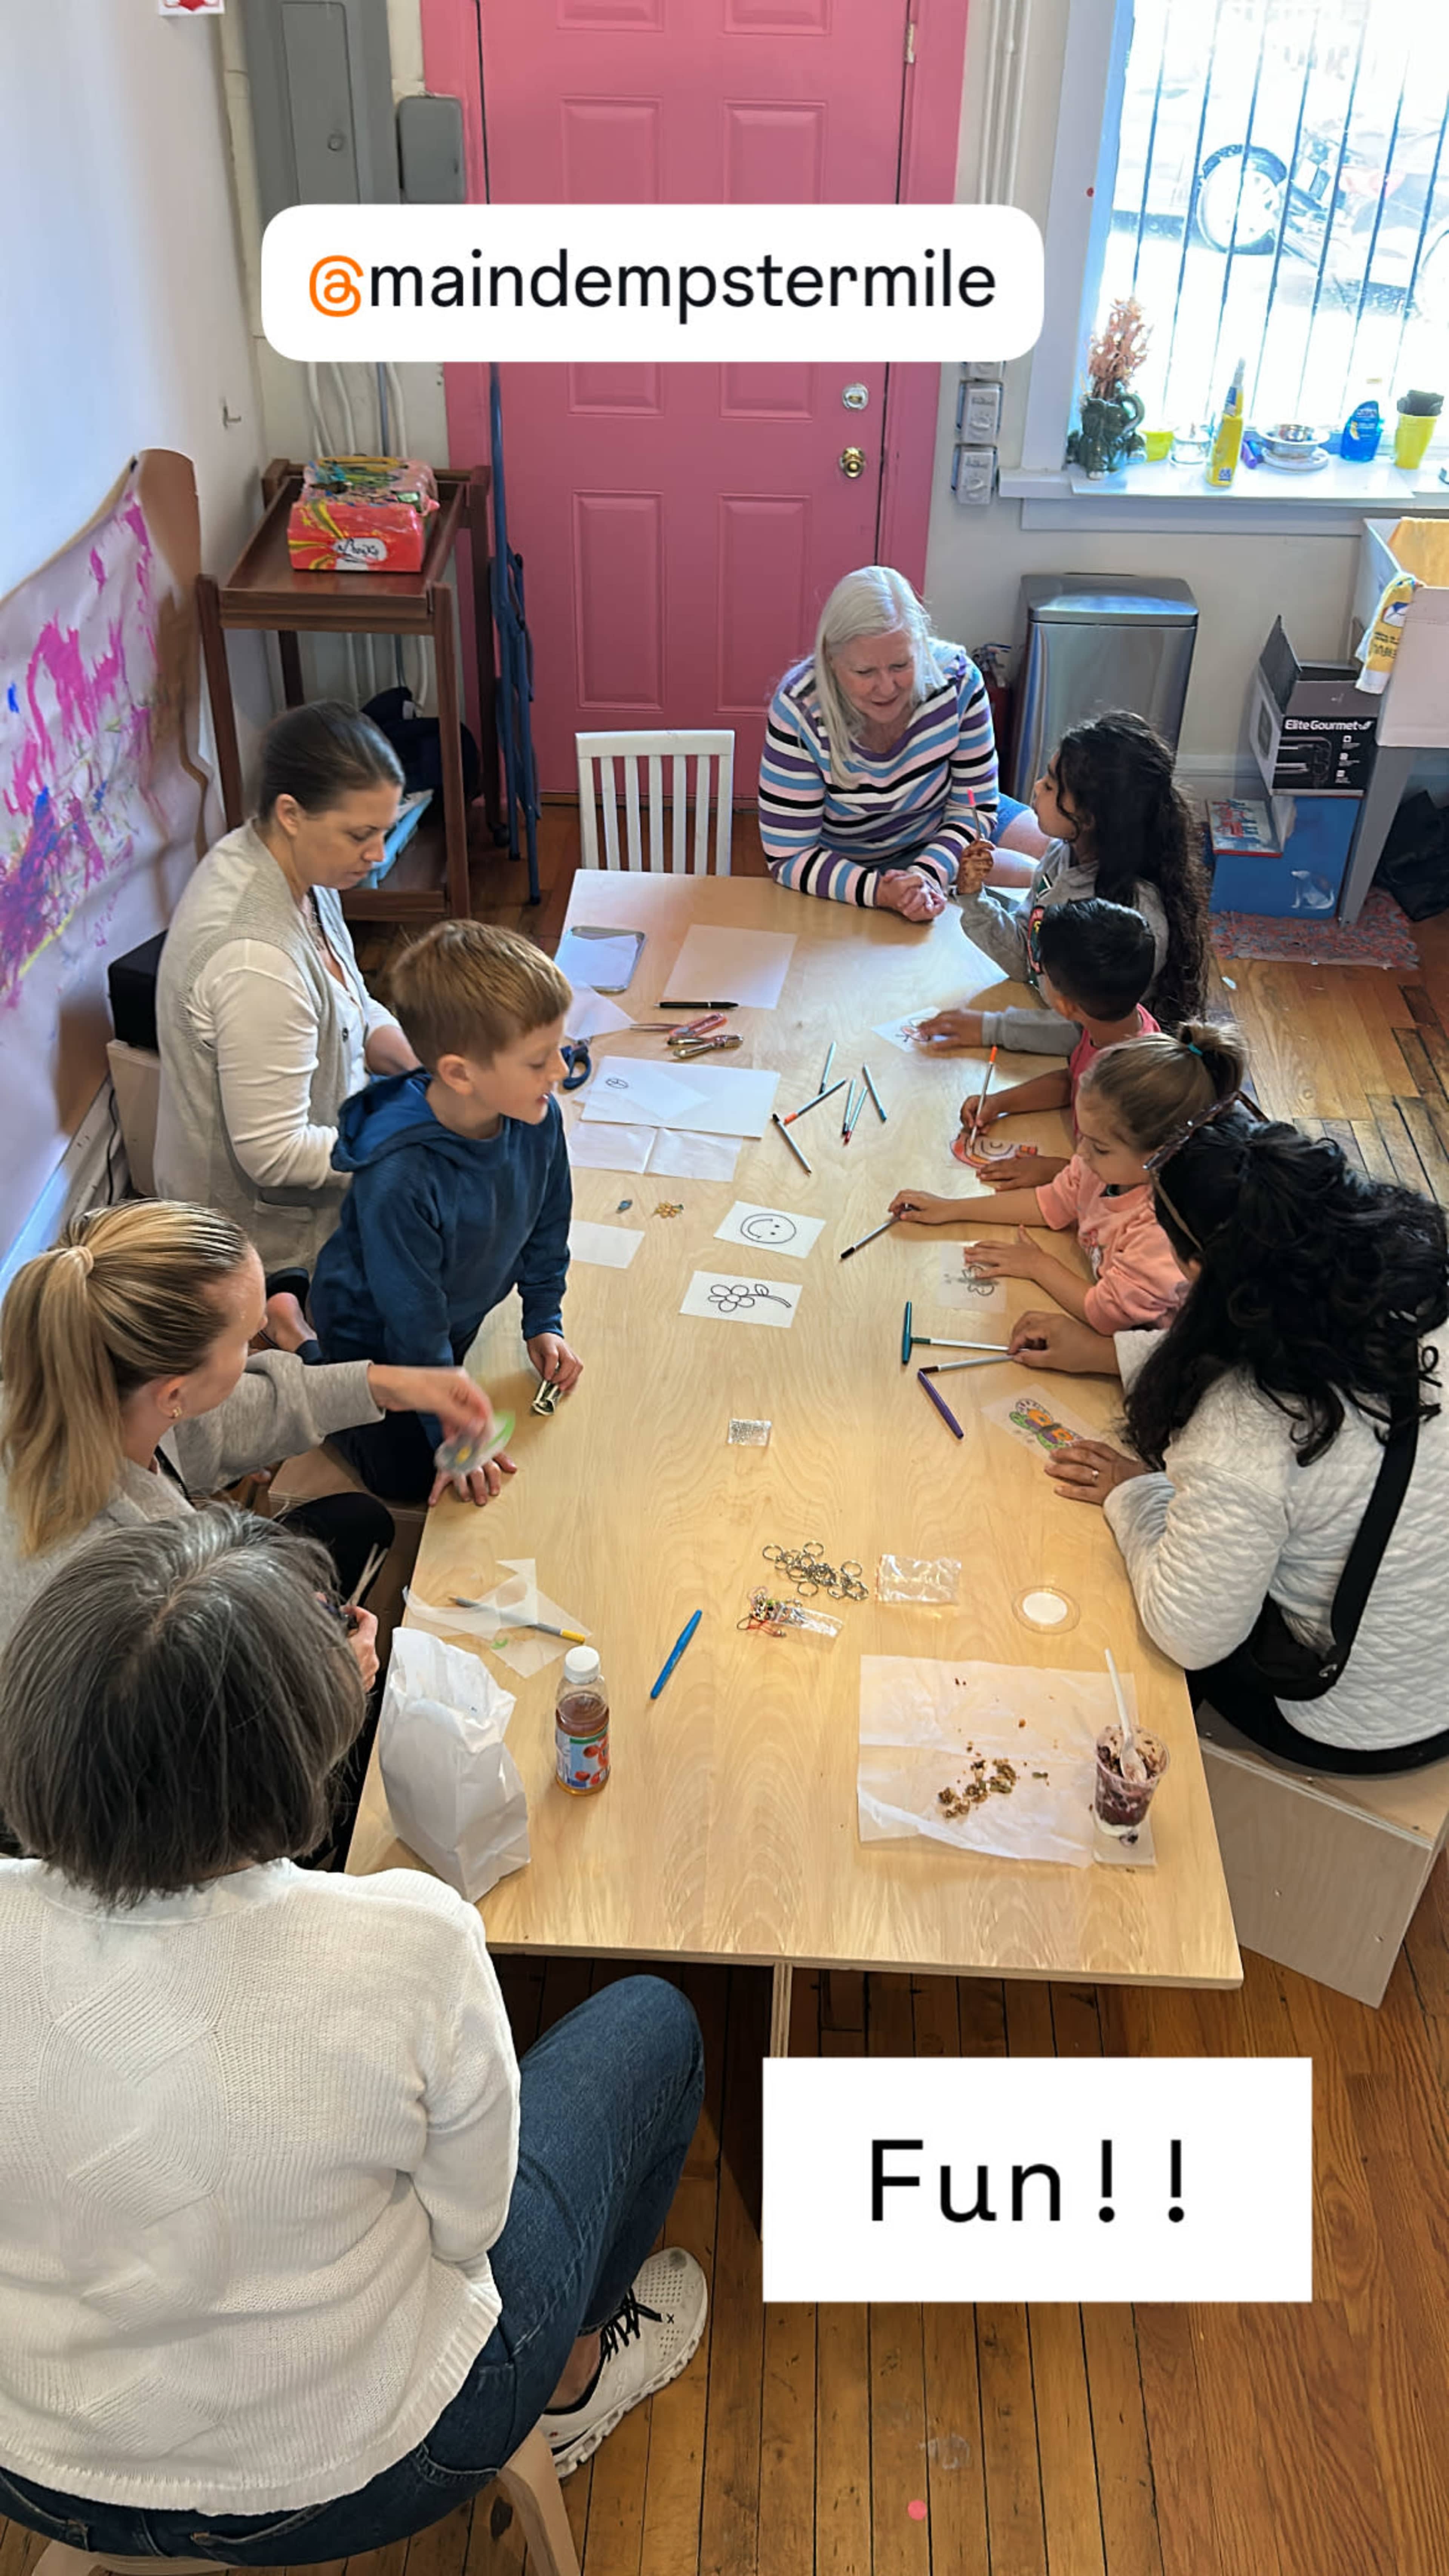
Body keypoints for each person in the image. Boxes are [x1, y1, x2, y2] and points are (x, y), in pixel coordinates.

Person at [0, 1511, 707, 2561]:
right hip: (348, 2475)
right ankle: (571, 2384)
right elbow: (469, 2225)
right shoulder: (407, 1940)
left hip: (34, 2469)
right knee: (656, 2022)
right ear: (297, 1753)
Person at [1007, 1117, 1449, 1772]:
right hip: (1426, 1658)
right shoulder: (1408, 1293)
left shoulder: (1247, 1427)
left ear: (1202, 1272)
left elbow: (1190, 1633)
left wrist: (1136, 1493)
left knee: (1106, 1645)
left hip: (1355, 1712)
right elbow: (1285, 1328)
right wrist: (1110, 1354)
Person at [0, 1201, 497, 1656]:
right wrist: (338, 1679)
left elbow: (248, 1412)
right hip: (153, 1726)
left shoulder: (80, 1389)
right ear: (174, 1395)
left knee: (356, 1522)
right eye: (248, 1340)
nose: (261, 1343)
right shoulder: (135, 1586)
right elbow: (201, 1740)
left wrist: (394, 1385)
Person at [312, 923, 580, 1506]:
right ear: (460, 1073)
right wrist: (454, 1438)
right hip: (372, 1338)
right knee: (408, 1480)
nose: (559, 1071)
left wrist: (543, 1318)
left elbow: (548, 1220)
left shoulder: (538, 1115)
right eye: (538, 1060)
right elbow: (412, 1326)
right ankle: (299, 1338)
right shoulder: (399, 1179)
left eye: (561, 1048)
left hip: (451, 1313)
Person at [155, 701, 421, 1274]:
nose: (378, 854)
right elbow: (274, 1153)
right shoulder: (258, 961)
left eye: (386, 829)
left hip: (330, 1174)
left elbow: (347, 1001)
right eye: (361, 834)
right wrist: (413, 1136)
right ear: (292, 812)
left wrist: (416, 1067)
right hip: (259, 1253)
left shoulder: (298, 867)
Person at [889, 1021, 1247, 1335]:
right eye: (1084, 1137)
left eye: (1101, 1148)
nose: (1081, 1154)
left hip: (1153, 1351)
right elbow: (1050, 1202)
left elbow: (1107, 1316)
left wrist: (1038, 1265)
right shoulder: (1101, 1166)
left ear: (1164, 1155)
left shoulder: (1162, 1231)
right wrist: (950, 1209)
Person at [914, 711, 1212, 1051]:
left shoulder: (1134, 918)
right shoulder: (1061, 856)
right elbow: (1028, 959)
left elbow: (1088, 1031)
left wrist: (992, 1028)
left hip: (1104, 1065)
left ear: (1090, 817)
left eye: (1052, 785)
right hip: (1042, 1025)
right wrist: (973, 898)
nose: (1038, 787)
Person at [757, 565, 1040, 921]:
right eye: (865, 673)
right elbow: (789, 856)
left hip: (953, 816)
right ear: (830, 660)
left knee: (1054, 859)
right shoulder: (799, 709)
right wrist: (879, 892)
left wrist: (927, 873)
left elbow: (976, 805)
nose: (887, 687)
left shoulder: (958, 681)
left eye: (901, 664)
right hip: (852, 852)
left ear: (920, 644)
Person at [954, 897, 1160, 1189]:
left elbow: (1133, 1181)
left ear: (1064, 1005)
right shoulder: (1118, 1021)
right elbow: (1072, 1081)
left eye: (1044, 974)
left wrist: (1056, 1171)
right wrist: (999, 1102)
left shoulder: (1129, 1082)